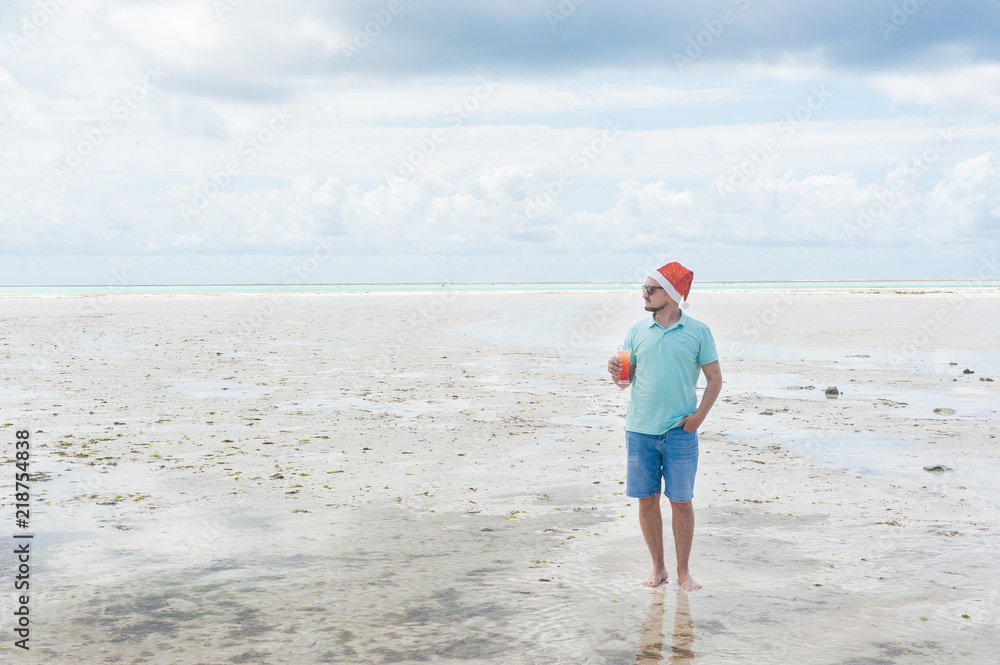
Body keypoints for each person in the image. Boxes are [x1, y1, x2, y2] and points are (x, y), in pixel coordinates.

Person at [607, 262, 722, 591]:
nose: (643, 293)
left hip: (680, 433)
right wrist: (614, 372)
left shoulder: (699, 332)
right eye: (644, 288)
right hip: (640, 430)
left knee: (681, 502)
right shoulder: (636, 331)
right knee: (646, 500)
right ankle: (658, 569)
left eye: (650, 289)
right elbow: (623, 383)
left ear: (670, 295)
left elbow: (715, 379)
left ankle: (683, 571)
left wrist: (699, 417)